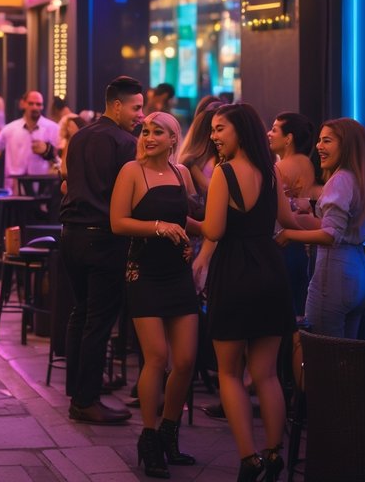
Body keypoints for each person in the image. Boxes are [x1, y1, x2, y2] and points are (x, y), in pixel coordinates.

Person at [193, 103, 295, 481]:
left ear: (240, 130)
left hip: (234, 273)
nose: (214, 136)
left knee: (230, 373)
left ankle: (249, 459)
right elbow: (287, 220)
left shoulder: (224, 172)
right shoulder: (271, 171)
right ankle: (274, 453)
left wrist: (189, 221)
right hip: (270, 270)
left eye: (220, 129)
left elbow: (214, 230)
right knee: (266, 374)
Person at [110, 112, 200, 477]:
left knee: (186, 360)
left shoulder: (182, 173)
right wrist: (160, 227)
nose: (147, 137)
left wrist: (204, 231)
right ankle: (148, 438)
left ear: (173, 139)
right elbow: (118, 222)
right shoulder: (132, 171)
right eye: (145, 131)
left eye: (157, 132)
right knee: (157, 357)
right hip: (144, 272)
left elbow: (183, 217)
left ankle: (169, 432)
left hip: (178, 273)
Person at [60, 75, 144, 425]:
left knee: (80, 313)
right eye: (136, 108)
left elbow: (66, 178)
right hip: (104, 238)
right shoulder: (126, 143)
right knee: (98, 321)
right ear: (117, 105)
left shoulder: (80, 136)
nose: (141, 115)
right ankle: (86, 400)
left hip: (71, 235)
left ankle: (77, 388)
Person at [276, 118, 365, 338]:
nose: (319, 146)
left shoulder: (340, 180)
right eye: (319, 140)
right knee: (350, 355)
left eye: (327, 141)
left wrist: (289, 234)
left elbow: (331, 235)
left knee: (322, 353)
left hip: (336, 277)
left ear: (346, 145)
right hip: (364, 278)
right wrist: (307, 213)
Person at [268, 111, 322, 317]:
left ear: (288, 138)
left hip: (285, 244)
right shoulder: (307, 163)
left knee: (283, 313)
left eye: (274, 130)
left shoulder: (280, 168)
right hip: (303, 248)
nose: (268, 134)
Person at [0, 91, 61, 192]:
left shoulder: (53, 129)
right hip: (14, 187)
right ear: (23, 104)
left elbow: (60, 158)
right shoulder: (10, 129)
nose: (35, 107)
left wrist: (47, 150)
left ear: (42, 106)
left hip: (43, 187)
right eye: (31, 103)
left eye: (38, 104)